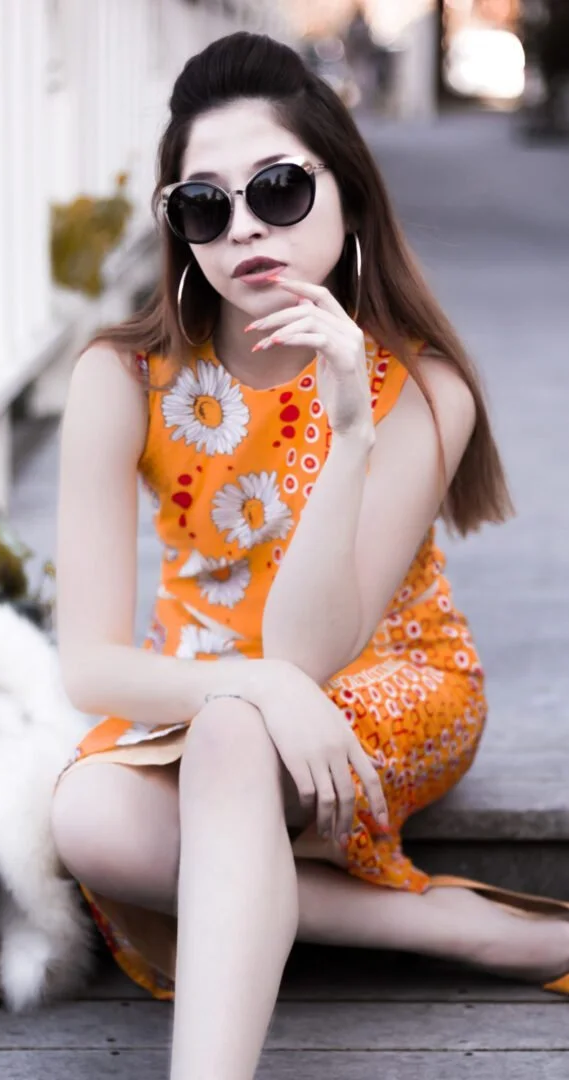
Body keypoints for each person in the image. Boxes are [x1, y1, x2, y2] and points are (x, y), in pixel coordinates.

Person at [49, 31, 569, 1080]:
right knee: (88, 815)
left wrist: (348, 430)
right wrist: (246, 688)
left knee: (240, 733)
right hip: (207, 690)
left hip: (388, 677)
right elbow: (90, 668)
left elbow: (307, 645)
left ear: (349, 195)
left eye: (278, 190)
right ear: (178, 230)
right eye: (204, 206)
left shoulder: (424, 392)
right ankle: (447, 926)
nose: (244, 229)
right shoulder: (122, 378)